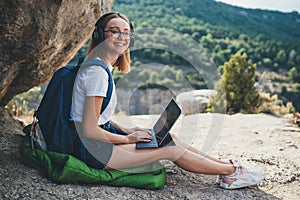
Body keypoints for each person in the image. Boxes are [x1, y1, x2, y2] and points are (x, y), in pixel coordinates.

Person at [71, 12, 265, 190]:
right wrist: (127, 140)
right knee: (169, 149)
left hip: (95, 145)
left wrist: (127, 130)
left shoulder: (99, 66)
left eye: (126, 32)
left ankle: (229, 166)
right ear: (99, 35)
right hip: (93, 152)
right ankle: (230, 175)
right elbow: (90, 129)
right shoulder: (97, 74)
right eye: (114, 31)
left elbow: (97, 117)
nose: (122, 37)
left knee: (169, 139)